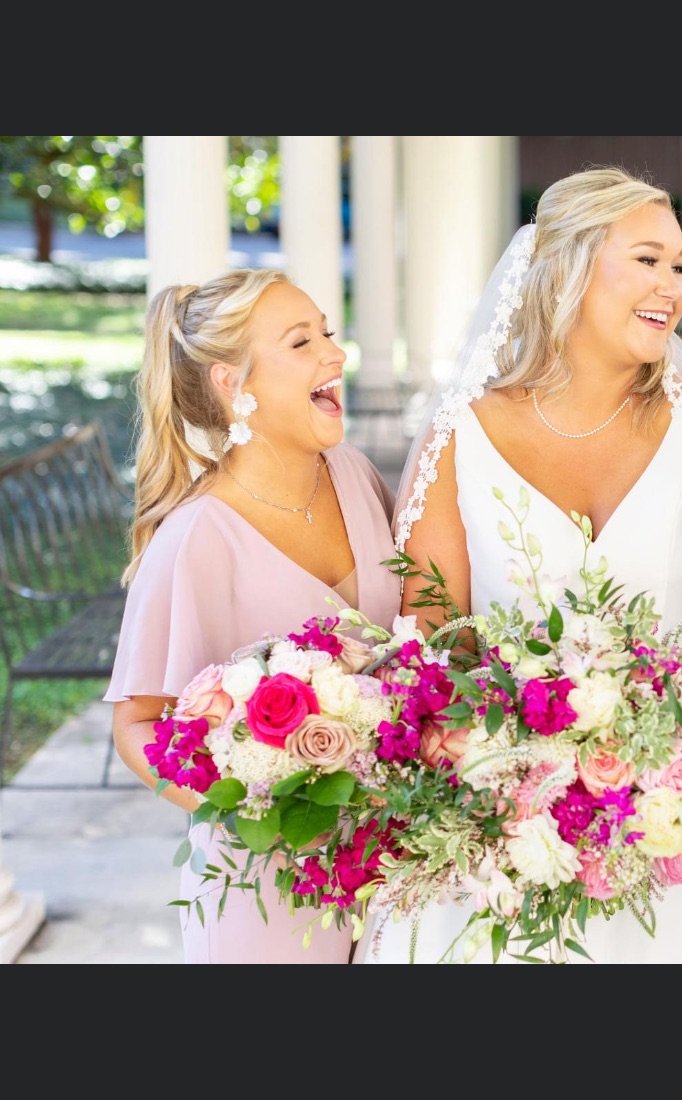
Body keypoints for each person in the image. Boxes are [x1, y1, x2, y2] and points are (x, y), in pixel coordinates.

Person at [355, 165, 682, 964]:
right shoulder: (464, 432)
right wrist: (522, 770)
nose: (673, 286)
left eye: (679, 265)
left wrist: (659, 763)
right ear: (567, 267)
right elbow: (432, 641)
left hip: (678, 836)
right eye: (646, 259)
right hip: (499, 839)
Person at [106, 268, 403, 964]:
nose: (336, 353)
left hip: (393, 867)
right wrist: (258, 809)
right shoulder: (195, 540)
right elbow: (136, 724)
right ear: (231, 384)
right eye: (302, 343)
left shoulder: (355, 475)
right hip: (268, 895)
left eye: (328, 332)